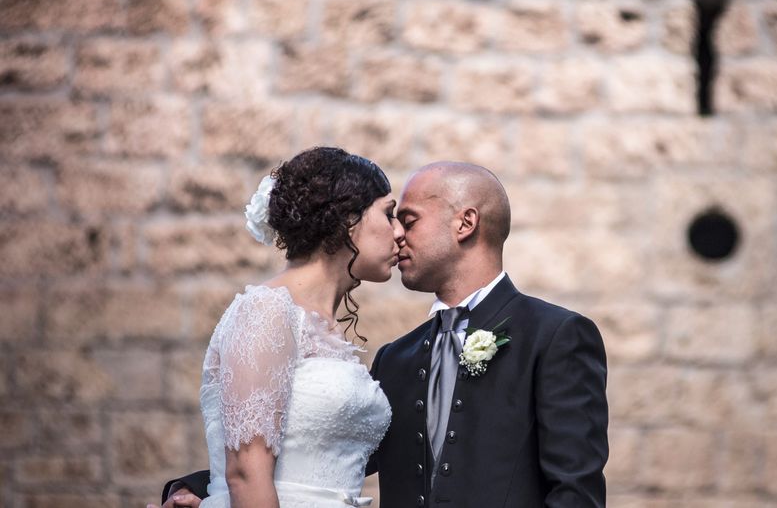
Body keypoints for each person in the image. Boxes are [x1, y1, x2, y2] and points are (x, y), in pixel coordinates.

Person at [157, 161, 609, 508]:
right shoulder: (397, 356)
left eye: (408, 220)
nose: (397, 235)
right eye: (393, 218)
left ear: (465, 224)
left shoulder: (555, 336)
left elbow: (576, 490)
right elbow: (334, 447)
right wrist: (208, 485)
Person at [153, 147, 403, 508]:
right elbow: (245, 475)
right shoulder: (266, 311)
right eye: (389, 214)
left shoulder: (326, 332)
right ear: (347, 218)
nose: (398, 232)